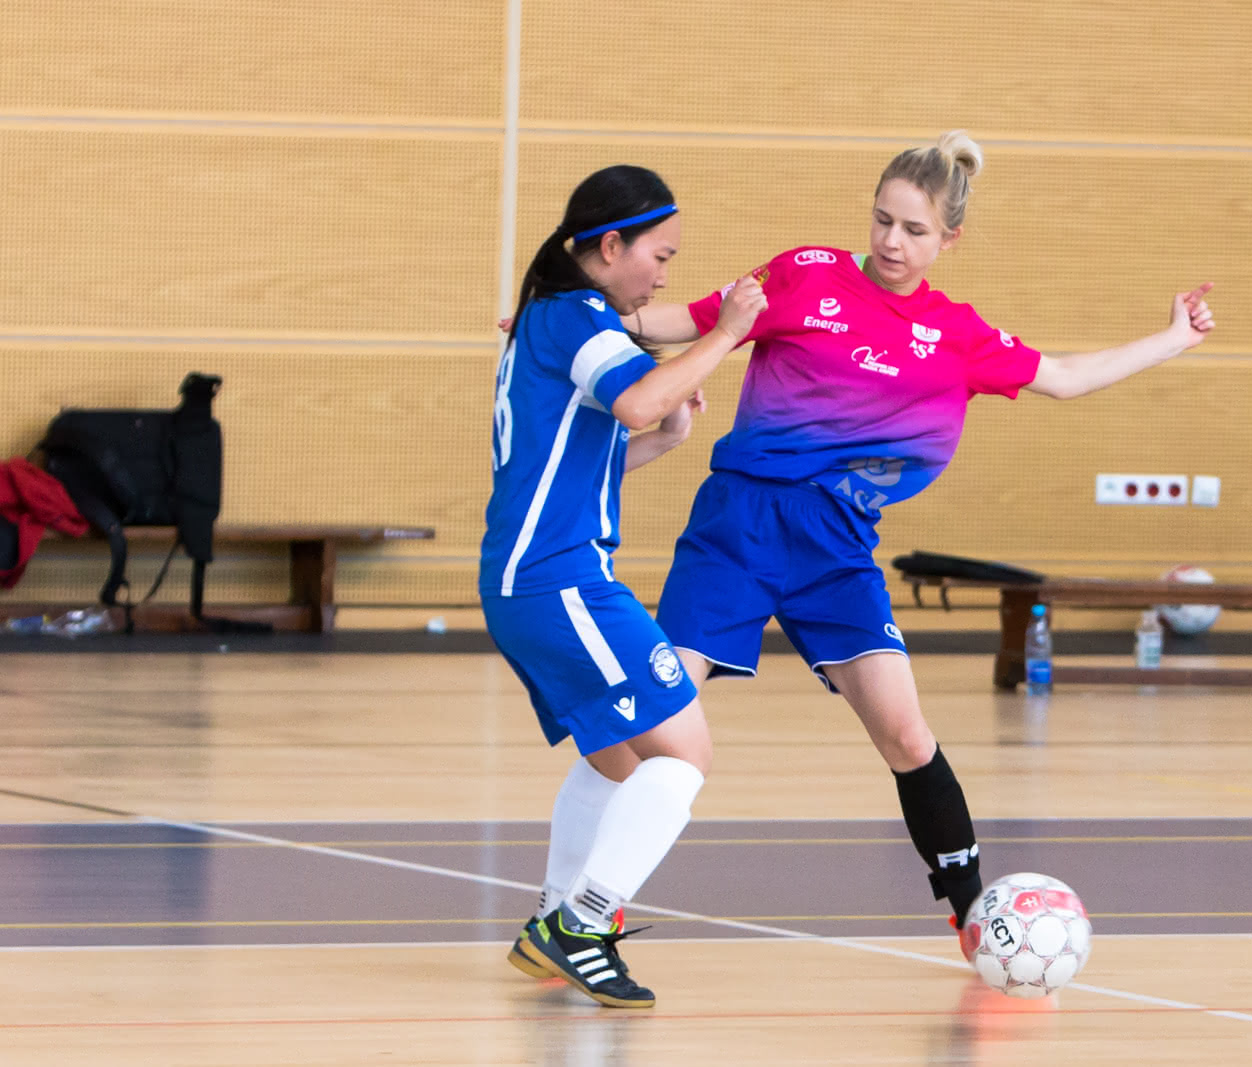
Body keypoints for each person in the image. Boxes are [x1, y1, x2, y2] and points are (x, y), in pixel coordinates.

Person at [633, 131, 1214, 955]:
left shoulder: (957, 335)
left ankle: (977, 916)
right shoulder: (804, 273)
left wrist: (1175, 339)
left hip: (836, 553)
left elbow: (1068, 376)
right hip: (738, 526)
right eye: (881, 221)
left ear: (950, 240)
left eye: (912, 230)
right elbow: (676, 319)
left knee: (907, 735)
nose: (890, 243)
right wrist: (570, 315)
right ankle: (591, 901)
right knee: (658, 723)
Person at [480, 163, 765, 1007]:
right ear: (611, 246)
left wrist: (669, 432)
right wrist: (726, 333)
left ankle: (551, 920)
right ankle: (582, 924)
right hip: (561, 583)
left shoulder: (547, 318)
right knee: (686, 754)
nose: (665, 276)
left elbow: (593, 456)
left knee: (616, 759)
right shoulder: (579, 314)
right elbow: (635, 402)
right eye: (660, 255)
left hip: (527, 584)